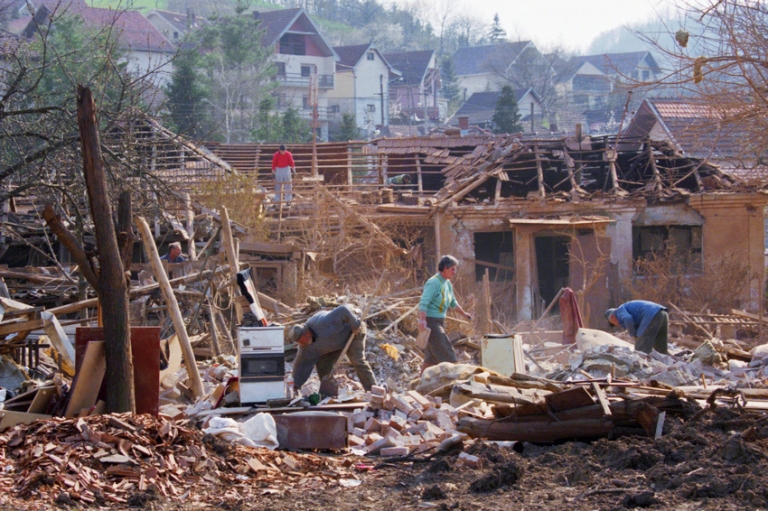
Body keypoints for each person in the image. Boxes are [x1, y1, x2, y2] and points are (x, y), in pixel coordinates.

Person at [286, 304, 377, 393]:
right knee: (322, 366)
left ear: (308, 333)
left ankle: (373, 390)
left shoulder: (324, 323)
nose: (302, 344)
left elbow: (343, 310)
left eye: (302, 341)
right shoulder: (305, 347)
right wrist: (295, 386)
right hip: (335, 343)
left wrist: (355, 324)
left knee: (357, 361)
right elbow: (300, 365)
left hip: (353, 332)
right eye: (299, 343)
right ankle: (329, 393)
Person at [418, 255, 472, 372]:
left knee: (430, 359)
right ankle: (455, 382)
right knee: (448, 353)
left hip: (439, 321)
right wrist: (422, 319)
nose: (454, 272)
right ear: (445, 268)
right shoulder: (433, 282)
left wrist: (464, 314)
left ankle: (418, 385)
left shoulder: (447, 284)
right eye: (452, 269)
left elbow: (453, 302)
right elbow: (423, 302)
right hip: (431, 323)